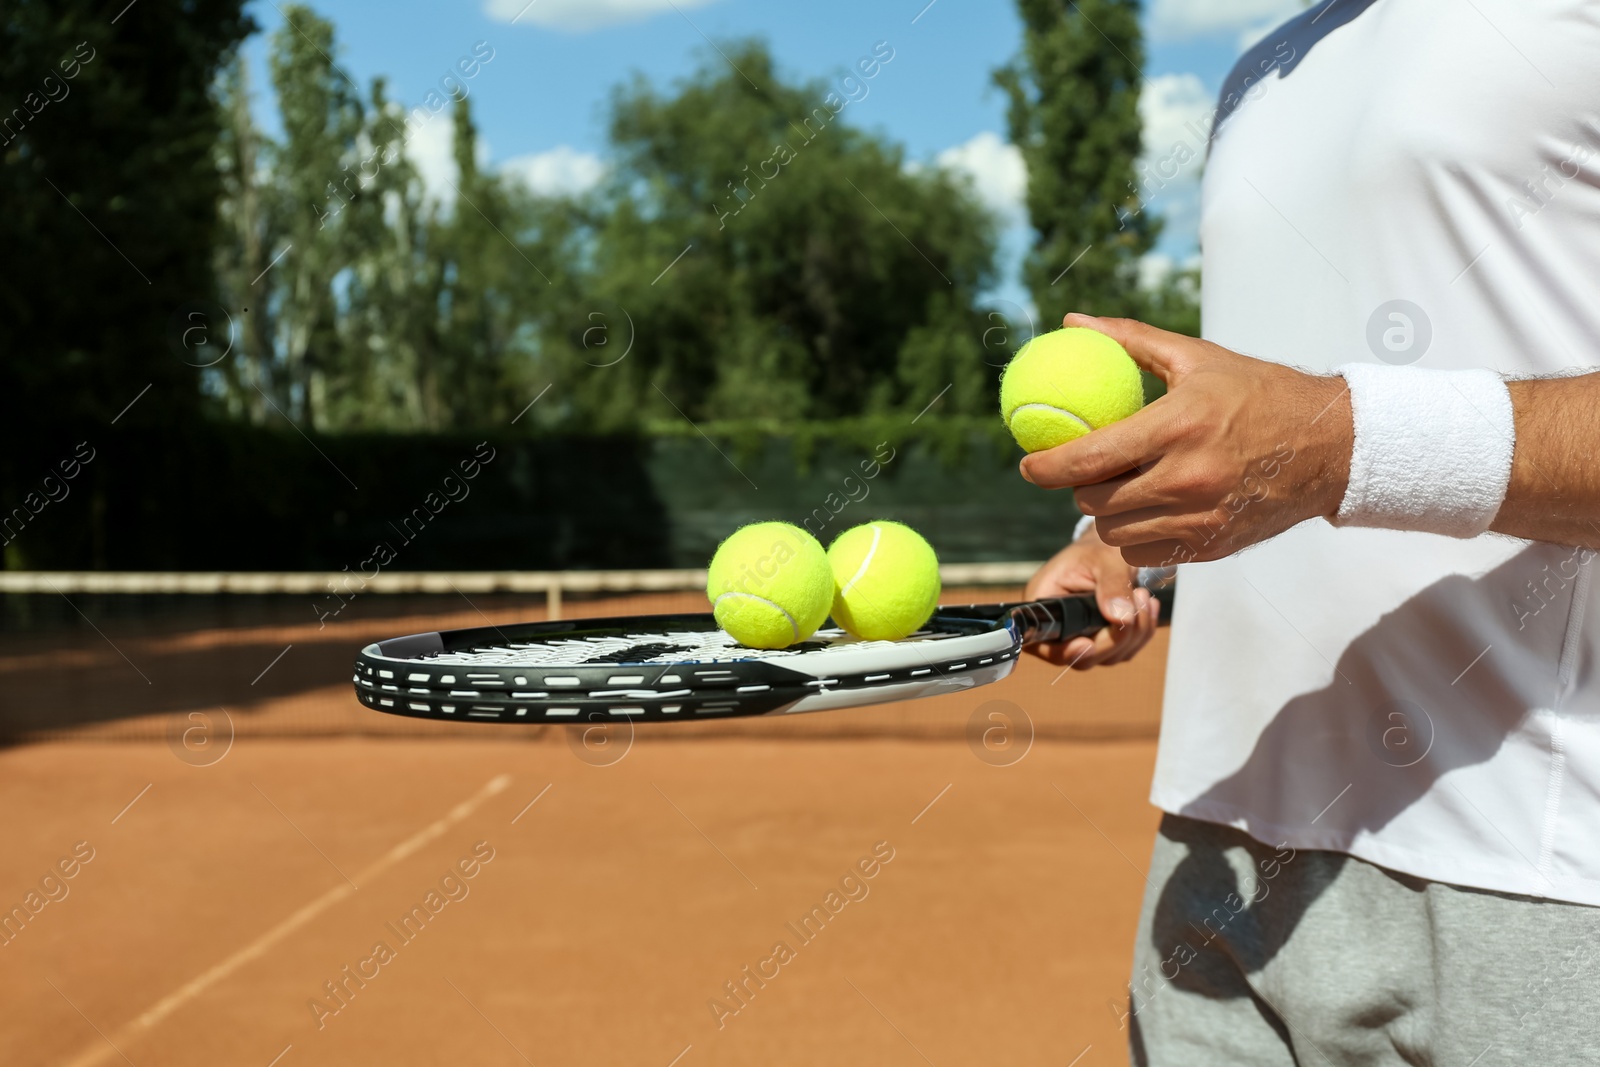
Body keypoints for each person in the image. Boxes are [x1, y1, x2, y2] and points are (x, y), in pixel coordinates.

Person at [1022, 2, 1600, 1063]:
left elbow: (1325, 428)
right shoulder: (1260, 73)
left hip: (1535, 871)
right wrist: (1130, 535)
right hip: (1219, 840)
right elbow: (1276, 386)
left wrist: (1341, 444)